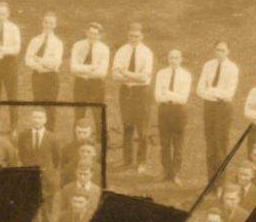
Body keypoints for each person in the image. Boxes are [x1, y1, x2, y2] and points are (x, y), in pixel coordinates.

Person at [112, 24, 156, 172]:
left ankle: (142, 161)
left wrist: (126, 74)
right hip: (126, 92)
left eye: (136, 36)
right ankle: (127, 159)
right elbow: (115, 75)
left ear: (141, 36)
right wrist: (131, 76)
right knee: (127, 126)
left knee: (142, 128)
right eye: (131, 36)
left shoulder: (147, 53)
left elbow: (144, 78)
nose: (134, 39)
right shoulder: (122, 51)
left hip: (142, 93)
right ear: (127, 35)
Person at [196, 42, 241, 180]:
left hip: (223, 110)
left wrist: (211, 90)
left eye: (223, 50)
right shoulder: (208, 65)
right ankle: (210, 182)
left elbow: (228, 95)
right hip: (209, 107)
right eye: (217, 50)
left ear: (228, 52)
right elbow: (199, 90)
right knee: (210, 145)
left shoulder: (233, 68)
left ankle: (220, 183)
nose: (220, 53)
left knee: (220, 145)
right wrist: (215, 93)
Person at [153, 48, 193, 184]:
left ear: (181, 59)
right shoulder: (161, 73)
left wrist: (167, 93)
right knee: (164, 143)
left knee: (178, 145)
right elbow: (158, 96)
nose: (173, 60)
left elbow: (183, 99)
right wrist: (173, 95)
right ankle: (165, 170)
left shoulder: (186, 75)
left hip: (179, 112)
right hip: (164, 110)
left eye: (176, 58)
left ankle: (175, 173)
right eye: (171, 57)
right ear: (167, 59)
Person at [24, 12, 65, 101]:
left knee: (50, 109)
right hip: (37, 77)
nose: (48, 25)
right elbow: (28, 59)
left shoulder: (58, 43)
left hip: (51, 77)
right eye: (46, 22)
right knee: (38, 106)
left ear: (55, 25)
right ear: (42, 23)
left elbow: (55, 63)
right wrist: (39, 67)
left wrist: (39, 59)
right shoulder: (35, 40)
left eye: (51, 23)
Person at [69, 22, 112, 106]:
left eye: (95, 34)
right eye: (90, 33)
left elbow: (102, 73)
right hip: (80, 82)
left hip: (96, 83)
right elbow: (73, 68)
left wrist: (81, 69)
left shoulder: (104, 49)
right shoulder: (77, 45)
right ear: (86, 32)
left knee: (98, 113)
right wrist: (92, 67)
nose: (92, 36)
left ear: (100, 36)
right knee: (79, 111)